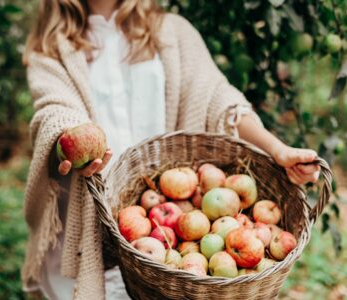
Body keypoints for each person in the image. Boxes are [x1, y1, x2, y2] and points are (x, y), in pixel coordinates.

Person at [21, 0, 321, 299]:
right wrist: (69, 138)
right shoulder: (50, 46)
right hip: (87, 225)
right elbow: (55, 108)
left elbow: (217, 98)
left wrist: (276, 148)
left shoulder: (173, 32)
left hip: (165, 215)